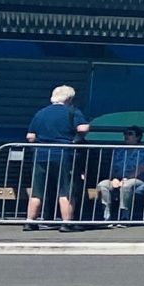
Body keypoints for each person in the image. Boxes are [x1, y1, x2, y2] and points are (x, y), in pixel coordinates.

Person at [22, 84, 91, 229]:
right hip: (63, 153)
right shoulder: (72, 111)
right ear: (70, 98)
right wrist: (77, 137)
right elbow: (83, 128)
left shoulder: (41, 113)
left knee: (37, 191)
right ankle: (66, 223)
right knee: (65, 190)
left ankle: (30, 221)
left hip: (41, 154)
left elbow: (30, 136)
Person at [93, 126, 144, 222]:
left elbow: (142, 168)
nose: (126, 136)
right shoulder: (119, 150)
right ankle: (106, 214)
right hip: (117, 179)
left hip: (136, 179)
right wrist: (114, 178)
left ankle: (124, 214)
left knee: (127, 185)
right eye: (125, 134)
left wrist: (125, 178)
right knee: (102, 185)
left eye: (130, 134)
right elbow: (113, 167)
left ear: (138, 137)